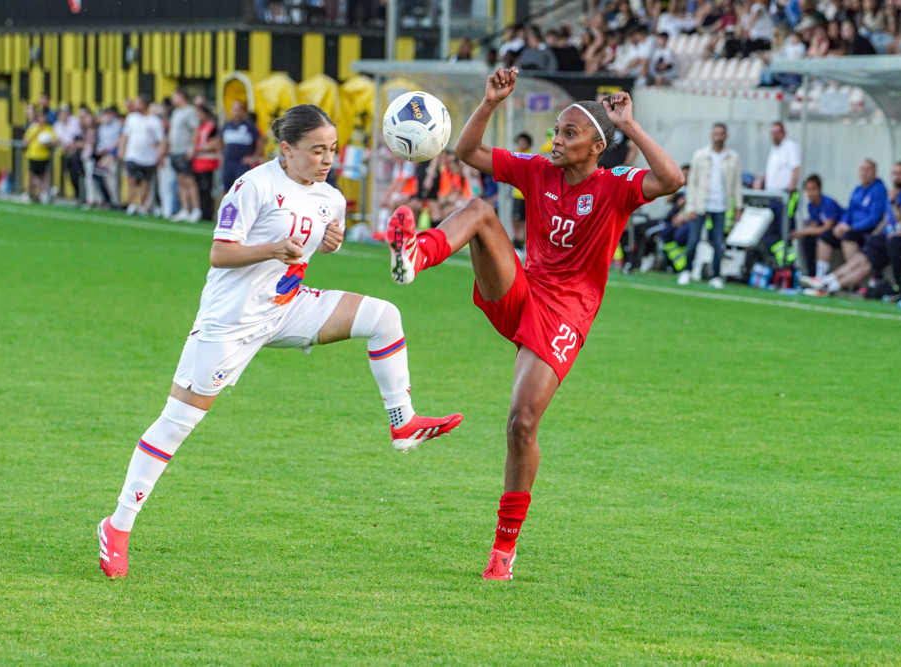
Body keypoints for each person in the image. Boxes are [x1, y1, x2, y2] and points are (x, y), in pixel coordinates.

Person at [97, 104, 463, 579]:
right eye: (316, 150)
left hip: (288, 308)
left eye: (332, 149)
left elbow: (310, 247)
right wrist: (272, 248)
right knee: (177, 424)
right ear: (286, 150)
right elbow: (219, 252)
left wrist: (329, 243)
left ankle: (403, 422)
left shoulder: (332, 198)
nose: (326, 159)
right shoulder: (254, 186)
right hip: (230, 322)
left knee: (384, 317)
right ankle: (117, 525)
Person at [384, 69, 684, 580]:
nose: (556, 139)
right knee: (479, 210)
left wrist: (629, 126)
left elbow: (673, 179)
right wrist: (489, 103)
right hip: (521, 290)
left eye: (569, 133)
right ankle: (415, 255)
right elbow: (469, 152)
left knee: (522, 423)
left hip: (566, 315)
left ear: (596, 146)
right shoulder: (538, 170)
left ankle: (504, 550)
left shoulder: (615, 185)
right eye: (557, 131)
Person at [801, 173, 901, 297]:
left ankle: (828, 287)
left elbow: (890, 219)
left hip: (896, 240)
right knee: (859, 258)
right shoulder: (865, 191)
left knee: (865, 263)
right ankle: (825, 280)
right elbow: (893, 219)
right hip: (885, 237)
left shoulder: (897, 194)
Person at [676, 123, 743, 288]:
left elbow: (737, 184)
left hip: (721, 205)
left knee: (718, 242)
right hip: (700, 204)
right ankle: (686, 271)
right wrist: (689, 207)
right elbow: (692, 183)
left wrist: (738, 207)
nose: (718, 137)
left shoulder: (733, 157)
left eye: (721, 134)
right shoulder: (700, 155)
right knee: (693, 240)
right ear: (711, 135)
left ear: (725, 136)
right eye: (715, 133)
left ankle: (716, 275)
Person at [814, 158, 888, 278]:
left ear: (875, 173)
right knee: (825, 236)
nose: (864, 173)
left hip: (867, 230)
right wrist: (841, 225)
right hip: (850, 228)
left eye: (867, 170)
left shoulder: (879, 190)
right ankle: (820, 276)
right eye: (862, 170)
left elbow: (874, 218)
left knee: (848, 236)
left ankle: (853, 277)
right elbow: (849, 211)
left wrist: (850, 227)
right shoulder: (857, 190)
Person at [119, 95, 166, 216]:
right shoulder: (131, 118)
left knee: (145, 182)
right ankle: (132, 204)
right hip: (132, 154)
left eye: (138, 103)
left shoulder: (154, 121)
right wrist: (122, 149)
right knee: (131, 180)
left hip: (148, 157)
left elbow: (161, 140)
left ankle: (142, 205)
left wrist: (160, 154)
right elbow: (125, 135)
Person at [790, 173, 843, 278]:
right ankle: (811, 275)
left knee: (821, 237)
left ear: (819, 189)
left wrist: (804, 231)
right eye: (808, 190)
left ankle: (821, 275)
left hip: (838, 233)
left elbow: (827, 227)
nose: (810, 193)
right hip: (825, 233)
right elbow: (815, 224)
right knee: (807, 240)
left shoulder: (828, 203)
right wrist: (801, 232)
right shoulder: (811, 205)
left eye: (813, 189)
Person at [763, 121, 801, 246]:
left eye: (777, 132)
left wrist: (789, 190)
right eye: (772, 132)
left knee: (784, 228)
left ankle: (788, 261)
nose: (775, 135)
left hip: (784, 196)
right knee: (772, 230)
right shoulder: (774, 149)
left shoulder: (789, 146)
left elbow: (796, 168)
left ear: (784, 133)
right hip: (772, 196)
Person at [168, 89, 201, 222]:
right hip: (175, 151)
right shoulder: (176, 112)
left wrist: (191, 148)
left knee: (189, 181)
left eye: (175, 96)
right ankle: (185, 209)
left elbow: (195, 129)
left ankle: (196, 209)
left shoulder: (189, 111)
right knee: (180, 181)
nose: (173, 99)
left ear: (181, 96)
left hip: (184, 150)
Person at [221, 99, 263, 193]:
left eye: (238, 110)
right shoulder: (227, 125)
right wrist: (221, 154)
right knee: (226, 190)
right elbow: (219, 140)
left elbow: (260, 140)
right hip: (228, 163)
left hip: (242, 164)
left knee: (241, 190)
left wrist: (254, 157)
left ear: (243, 111)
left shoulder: (249, 126)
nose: (236, 112)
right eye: (234, 110)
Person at [191, 104, 221, 222]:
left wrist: (201, 147)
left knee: (207, 189)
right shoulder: (200, 127)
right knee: (201, 189)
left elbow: (216, 142)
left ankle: (208, 213)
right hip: (199, 162)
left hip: (208, 163)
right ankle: (202, 211)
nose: (198, 116)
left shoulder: (211, 127)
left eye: (200, 113)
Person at [23, 109, 55, 203]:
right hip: (33, 155)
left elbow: (54, 141)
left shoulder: (49, 129)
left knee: (42, 177)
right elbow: (26, 140)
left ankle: (40, 195)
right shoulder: (33, 128)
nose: (42, 119)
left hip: (44, 156)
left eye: (43, 118)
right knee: (31, 176)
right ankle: (30, 193)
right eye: (40, 118)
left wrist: (48, 144)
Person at [53, 105, 84, 202]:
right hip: (66, 153)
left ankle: (82, 195)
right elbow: (58, 139)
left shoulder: (74, 121)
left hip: (77, 152)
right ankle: (77, 194)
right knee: (70, 175)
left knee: (78, 174)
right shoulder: (57, 125)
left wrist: (72, 144)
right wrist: (65, 145)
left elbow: (78, 136)